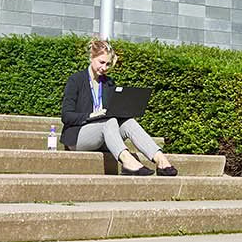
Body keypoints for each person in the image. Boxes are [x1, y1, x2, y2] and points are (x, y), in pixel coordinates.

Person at [60, 38, 177, 176]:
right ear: (92, 57)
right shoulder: (76, 80)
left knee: (129, 122)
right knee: (108, 122)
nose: (104, 68)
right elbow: (66, 116)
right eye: (101, 62)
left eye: (108, 64)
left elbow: (112, 112)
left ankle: (161, 160)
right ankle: (127, 162)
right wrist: (92, 115)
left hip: (103, 135)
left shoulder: (109, 83)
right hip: (78, 136)